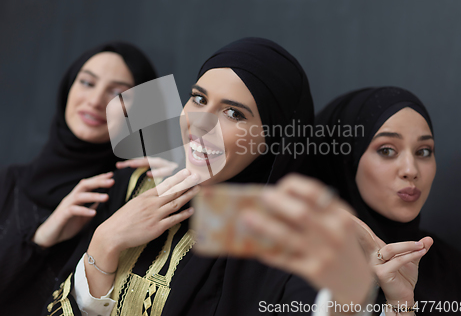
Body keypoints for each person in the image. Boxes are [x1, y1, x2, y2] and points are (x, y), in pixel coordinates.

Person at [44, 37, 378, 316]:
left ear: (273, 142)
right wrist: (105, 242)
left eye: (234, 113)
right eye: (199, 98)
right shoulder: (134, 186)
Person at [0, 41, 158, 315]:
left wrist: (183, 173)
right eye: (87, 82)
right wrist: (40, 237)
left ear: (139, 112)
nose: (95, 101)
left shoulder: (137, 197)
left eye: (117, 93)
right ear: (68, 88)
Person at [307, 87, 461, 314]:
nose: (410, 170)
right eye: (387, 150)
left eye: (423, 151)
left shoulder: (454, 270)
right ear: (346, 160)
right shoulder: (301, 266)